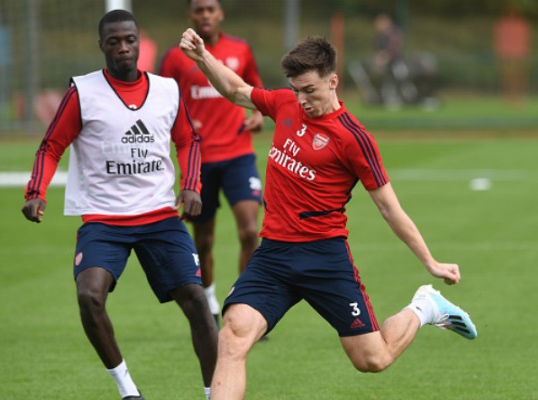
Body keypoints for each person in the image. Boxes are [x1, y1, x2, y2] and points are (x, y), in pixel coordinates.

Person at [180, 29, 478, 399]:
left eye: (310, 90)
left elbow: (389, 208)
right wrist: (203, 58)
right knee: (233, 334)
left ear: (332, 81)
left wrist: (430, 262)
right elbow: (238, 90)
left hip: (324, 257)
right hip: (273, 255)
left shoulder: (353, 138)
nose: (302, 99)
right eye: (296, 89)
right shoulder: (285, 104)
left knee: (372, 359)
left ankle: (425, 306)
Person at [21, 11, 217, 400]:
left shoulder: (166, 90)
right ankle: (128, 391)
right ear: (102, 46)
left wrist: (191, 185)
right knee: (89, 295)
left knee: (197, 301)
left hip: (160, 216)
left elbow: (188, 141)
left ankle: (217, 393)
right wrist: (36, 191)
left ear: (139, 41)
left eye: (129, 40)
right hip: (104, 219)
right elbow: (51, 146)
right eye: (114, 42)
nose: (123, 48)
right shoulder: (83, 92)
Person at [159, 0, 264, 323]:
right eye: (199, 10)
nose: (205, 15)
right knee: (203, 240)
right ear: (190, 16)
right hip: (199, 161)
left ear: (220, 14)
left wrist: (259, 113)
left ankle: (244, 304)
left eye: (211, 9)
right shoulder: (176, 58)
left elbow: (255, 90)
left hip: (239, 155)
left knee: (250, 231)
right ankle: (209, 301)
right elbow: (160, 100)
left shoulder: (240, 50)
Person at [494, 6, 531, 105]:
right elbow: (499, 38)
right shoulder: (503, 24)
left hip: (519, 53)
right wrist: (500, 51)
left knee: (520, 75)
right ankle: (507, 97)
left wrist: (524, 50)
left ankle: (521, 96)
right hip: (507, 53)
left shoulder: (521, 24)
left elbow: (525, 38)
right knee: (507, 75)